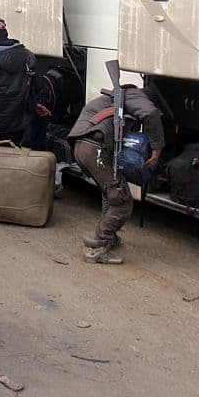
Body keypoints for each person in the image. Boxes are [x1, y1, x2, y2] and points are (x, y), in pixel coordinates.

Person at [67, 83, 165, 265]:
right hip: (95, 148)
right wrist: (157, 149)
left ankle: (108, 238)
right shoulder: (135, 96)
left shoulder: (115, 98)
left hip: (82, 147)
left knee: (110, 193)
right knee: (122, 201)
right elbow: (150, 113)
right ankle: (98, 245)